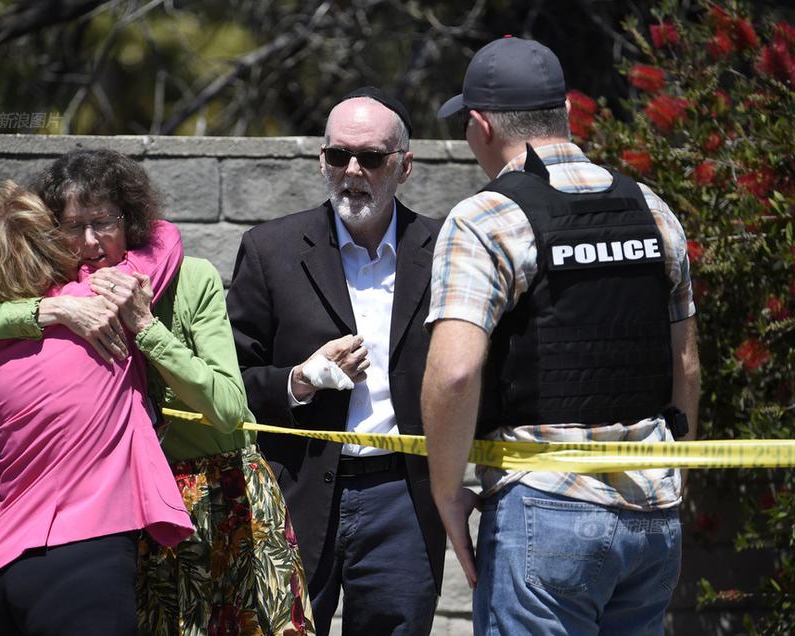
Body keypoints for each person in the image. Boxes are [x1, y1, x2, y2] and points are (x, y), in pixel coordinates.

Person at [0, 149, 313, 636]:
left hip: (217, 499)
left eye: (104, 222)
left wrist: (147, 329)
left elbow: (230, 408)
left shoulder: (187, 278)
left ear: (131, 217)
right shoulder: (64, 296)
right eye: (73, 228)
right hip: (125, 515)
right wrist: (49, 313)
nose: (92, 242)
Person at [422, 36, 701, 635]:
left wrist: (447, 493)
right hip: (653, 508)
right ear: (567, 114)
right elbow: (687, 367)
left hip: (547, 507)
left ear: (480, 125)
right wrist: (673, 476)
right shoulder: (651, 208)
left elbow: (455, 371)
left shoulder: (484, 219)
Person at [227, 87, 445, 636]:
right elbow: (230, 376)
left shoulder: (445, 249)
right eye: (337, 155)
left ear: (404, 165)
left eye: (370, 157)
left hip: (403, 497)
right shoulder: (270, 249)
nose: (352, 170)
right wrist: (299, 380)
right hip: (297, 488)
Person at [0, 179, 193, 636]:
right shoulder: (99, 304)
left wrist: (43, 310)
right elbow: (165, 236)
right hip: (83, 563)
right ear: (51, 247)